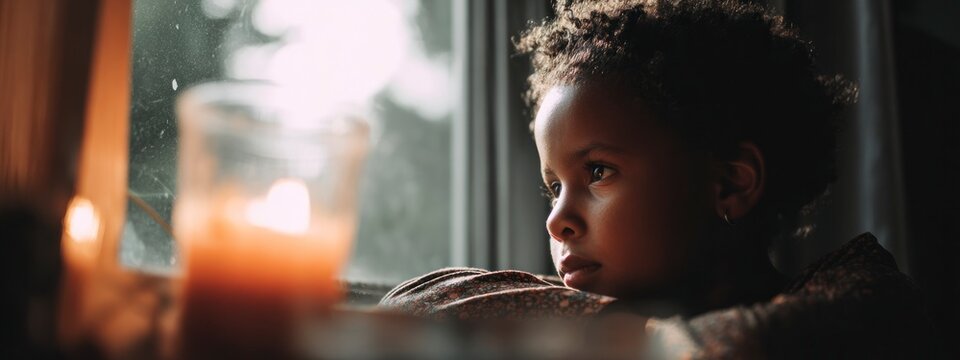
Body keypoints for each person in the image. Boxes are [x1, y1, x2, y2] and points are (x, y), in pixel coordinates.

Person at [380, 0, 936, 357]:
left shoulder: (857, 303)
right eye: (553, 187)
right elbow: (415, 309)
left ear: (730, 185)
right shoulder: (603, 313)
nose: (557, 219)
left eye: (597, 173)